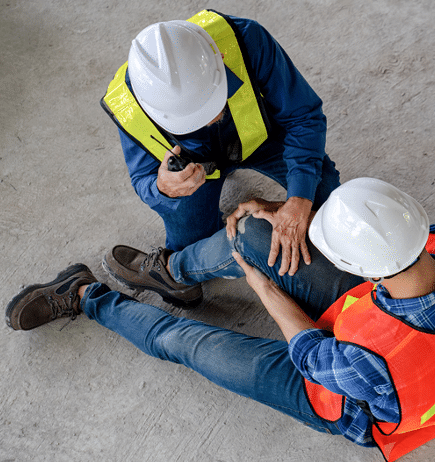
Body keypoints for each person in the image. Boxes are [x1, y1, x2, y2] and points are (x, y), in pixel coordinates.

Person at [5, 178, 435, 462]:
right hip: (382, 335)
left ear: (358, 271)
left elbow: (308, 351)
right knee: (261, 233)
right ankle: (173, 274)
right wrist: (283, 213)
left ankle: (87, 296)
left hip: (341, 395)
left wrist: (261, 283)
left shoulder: (370, 363)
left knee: (184, 344)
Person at [101, 9, 339, 295]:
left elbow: (303, 117)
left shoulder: (245, 39)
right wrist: (163, 188)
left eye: (211, 104)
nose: (207, 120)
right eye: (190, 119)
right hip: (197, 175)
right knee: (194, 249)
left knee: (331, 203)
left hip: (264, 138)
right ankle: (175, 267)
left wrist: (299, 199)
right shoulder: (127, 105)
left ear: (220, 58)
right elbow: (142, 178)